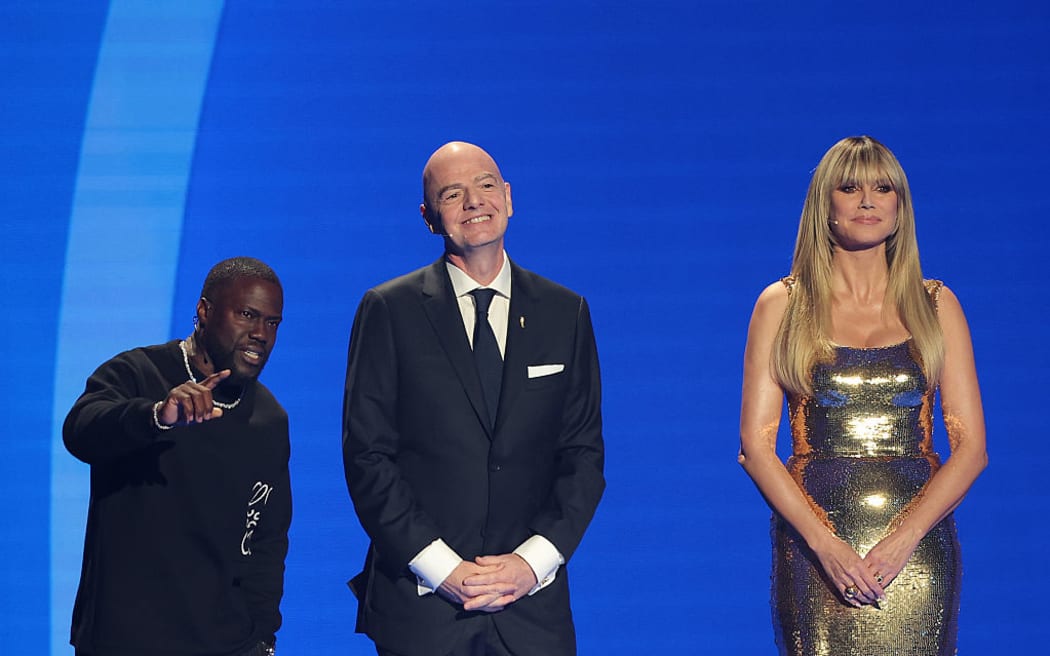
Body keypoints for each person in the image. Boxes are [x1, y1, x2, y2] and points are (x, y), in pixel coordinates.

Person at [342, 141, 605, 656]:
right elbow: (367, 456)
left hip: (532, 613)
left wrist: (530, 564)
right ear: (428, 217)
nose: (473, 202)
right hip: (424, 608)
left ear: (508, 198)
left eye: (486, 186)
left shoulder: (564, 312)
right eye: (452, 193)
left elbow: (583, 456)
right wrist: (445, 570)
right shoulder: (389, 311)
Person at [738, 136, 987, 655]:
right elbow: (757, 447)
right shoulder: (783, 304)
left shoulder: (937, 305)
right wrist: (825, 546)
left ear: (900, 208)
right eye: (850, 188)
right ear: (825, 206)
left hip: (918, 553)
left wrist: (903, 541)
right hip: (815, 549)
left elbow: (970, 449)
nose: (868, 200)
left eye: (883, 188)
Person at [64, 257, 290, 656]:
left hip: (226, 645)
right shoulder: (138, 372)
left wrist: (263, 638)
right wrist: (156, 416)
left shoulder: (267, 419)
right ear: (204, 311)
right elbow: (82, 430)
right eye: (247, 315)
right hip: (123, 641)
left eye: (272, 323)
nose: (260, 334)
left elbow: (267, 543)